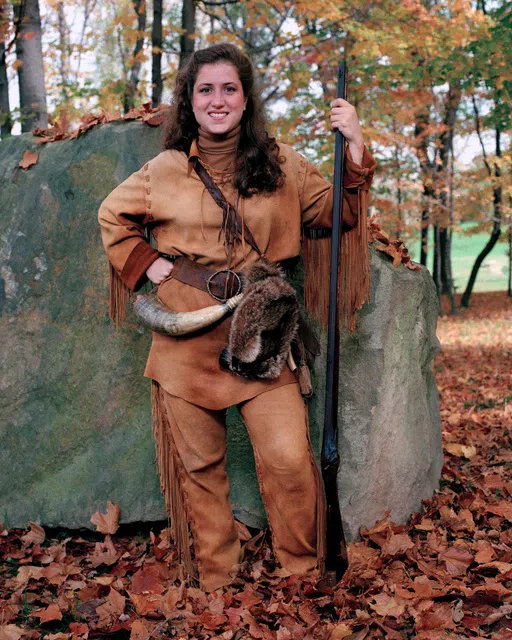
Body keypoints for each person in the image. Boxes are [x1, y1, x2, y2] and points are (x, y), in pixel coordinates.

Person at [98, 43, 376, 592]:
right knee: (200, 471)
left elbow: (340, 211)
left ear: (246, 100)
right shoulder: (165, 170)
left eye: (229, 89)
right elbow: (113, 214)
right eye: (206, 90)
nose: (218, 100)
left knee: (290, 461)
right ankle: (217, 581)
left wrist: (356, 145)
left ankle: (302, 574)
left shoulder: (284, 162)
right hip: (186, 341)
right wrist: (147, 263)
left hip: (264, 339)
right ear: (190, 101)